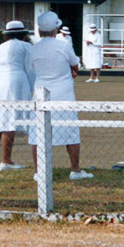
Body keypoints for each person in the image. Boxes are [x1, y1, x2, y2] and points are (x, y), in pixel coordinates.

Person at [27, 11, 92, 180]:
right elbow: (75, 65)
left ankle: (39, 172)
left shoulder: (34, 48)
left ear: (40, 30)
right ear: (56, 29)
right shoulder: (63, 46)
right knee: (70, 131)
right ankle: (75, 170)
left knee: (37, 133)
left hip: (41, 92)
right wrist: (69, 71)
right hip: (63, 93)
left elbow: (32, 69)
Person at [0, 21, 34, 170]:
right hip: (17, 81)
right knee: (10, 121)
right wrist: (33, 87)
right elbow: (30, 69)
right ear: (23, 34)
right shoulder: (26, 47)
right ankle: (6, 160)